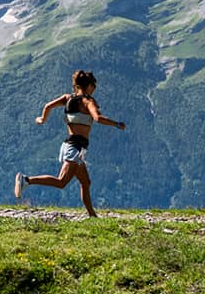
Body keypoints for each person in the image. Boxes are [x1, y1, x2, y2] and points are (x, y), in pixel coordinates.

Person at [14, 69, 124, 217]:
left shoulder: (67, 98)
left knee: (85, 182)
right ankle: (26, 180)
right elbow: (97, 118)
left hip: (72, 146)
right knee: (61, 182)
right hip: (75, 148)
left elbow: (48, 106)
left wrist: (42, 119)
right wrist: (117, 124)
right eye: (94, 87)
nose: (94, 90)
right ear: (89, 86)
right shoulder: (88, 101)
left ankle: (92, 215)